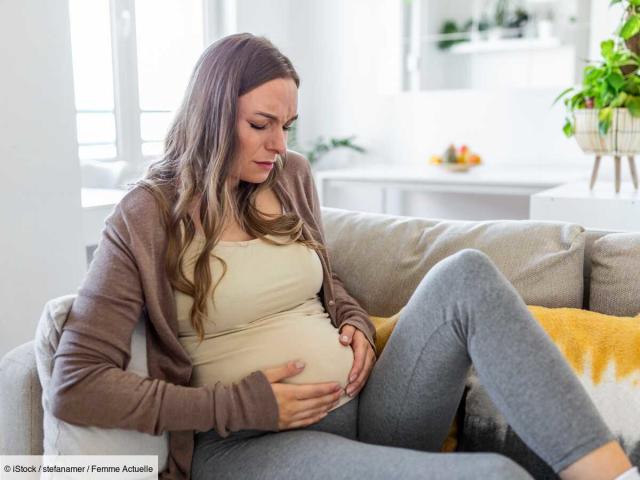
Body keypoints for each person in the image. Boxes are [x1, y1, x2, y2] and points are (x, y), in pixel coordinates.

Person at [50, 33, 638, 480]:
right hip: (250, 444)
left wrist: (353, 320)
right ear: (210, 115)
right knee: (497, 476)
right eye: (262, 125)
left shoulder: (292, 177)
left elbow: (321, 281)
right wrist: (234, 404)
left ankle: (614, 474)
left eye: (288, 126)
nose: (280, 145)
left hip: (368, 406)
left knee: (466, 274)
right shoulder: (146, 216)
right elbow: (76, 384)